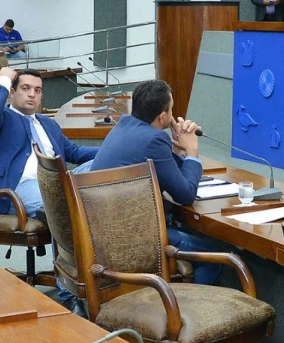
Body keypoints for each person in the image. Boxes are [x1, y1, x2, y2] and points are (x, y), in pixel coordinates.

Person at [91, 79, 223, 285]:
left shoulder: (123, 126)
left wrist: (178, 149)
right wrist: (192, 151)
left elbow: (170, 175)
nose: (173, 116)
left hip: (105, 232)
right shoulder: (155, 139)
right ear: (163, 117)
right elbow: (186, 194)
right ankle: (195, 310)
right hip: (134, 237)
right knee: (214, 254)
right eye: (171, 111)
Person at [0, 66, 98, 219]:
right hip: (18, 187)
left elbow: (74, 153)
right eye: (26, 88)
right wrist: (4, 79)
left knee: (104, 163)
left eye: (37, 90)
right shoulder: (1, 118)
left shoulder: (48, 124)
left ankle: (64, 204)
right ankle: (63, 206)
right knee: (69, 204)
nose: (32, 94)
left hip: (58, 183)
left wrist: (111, 150)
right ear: (12, 93)